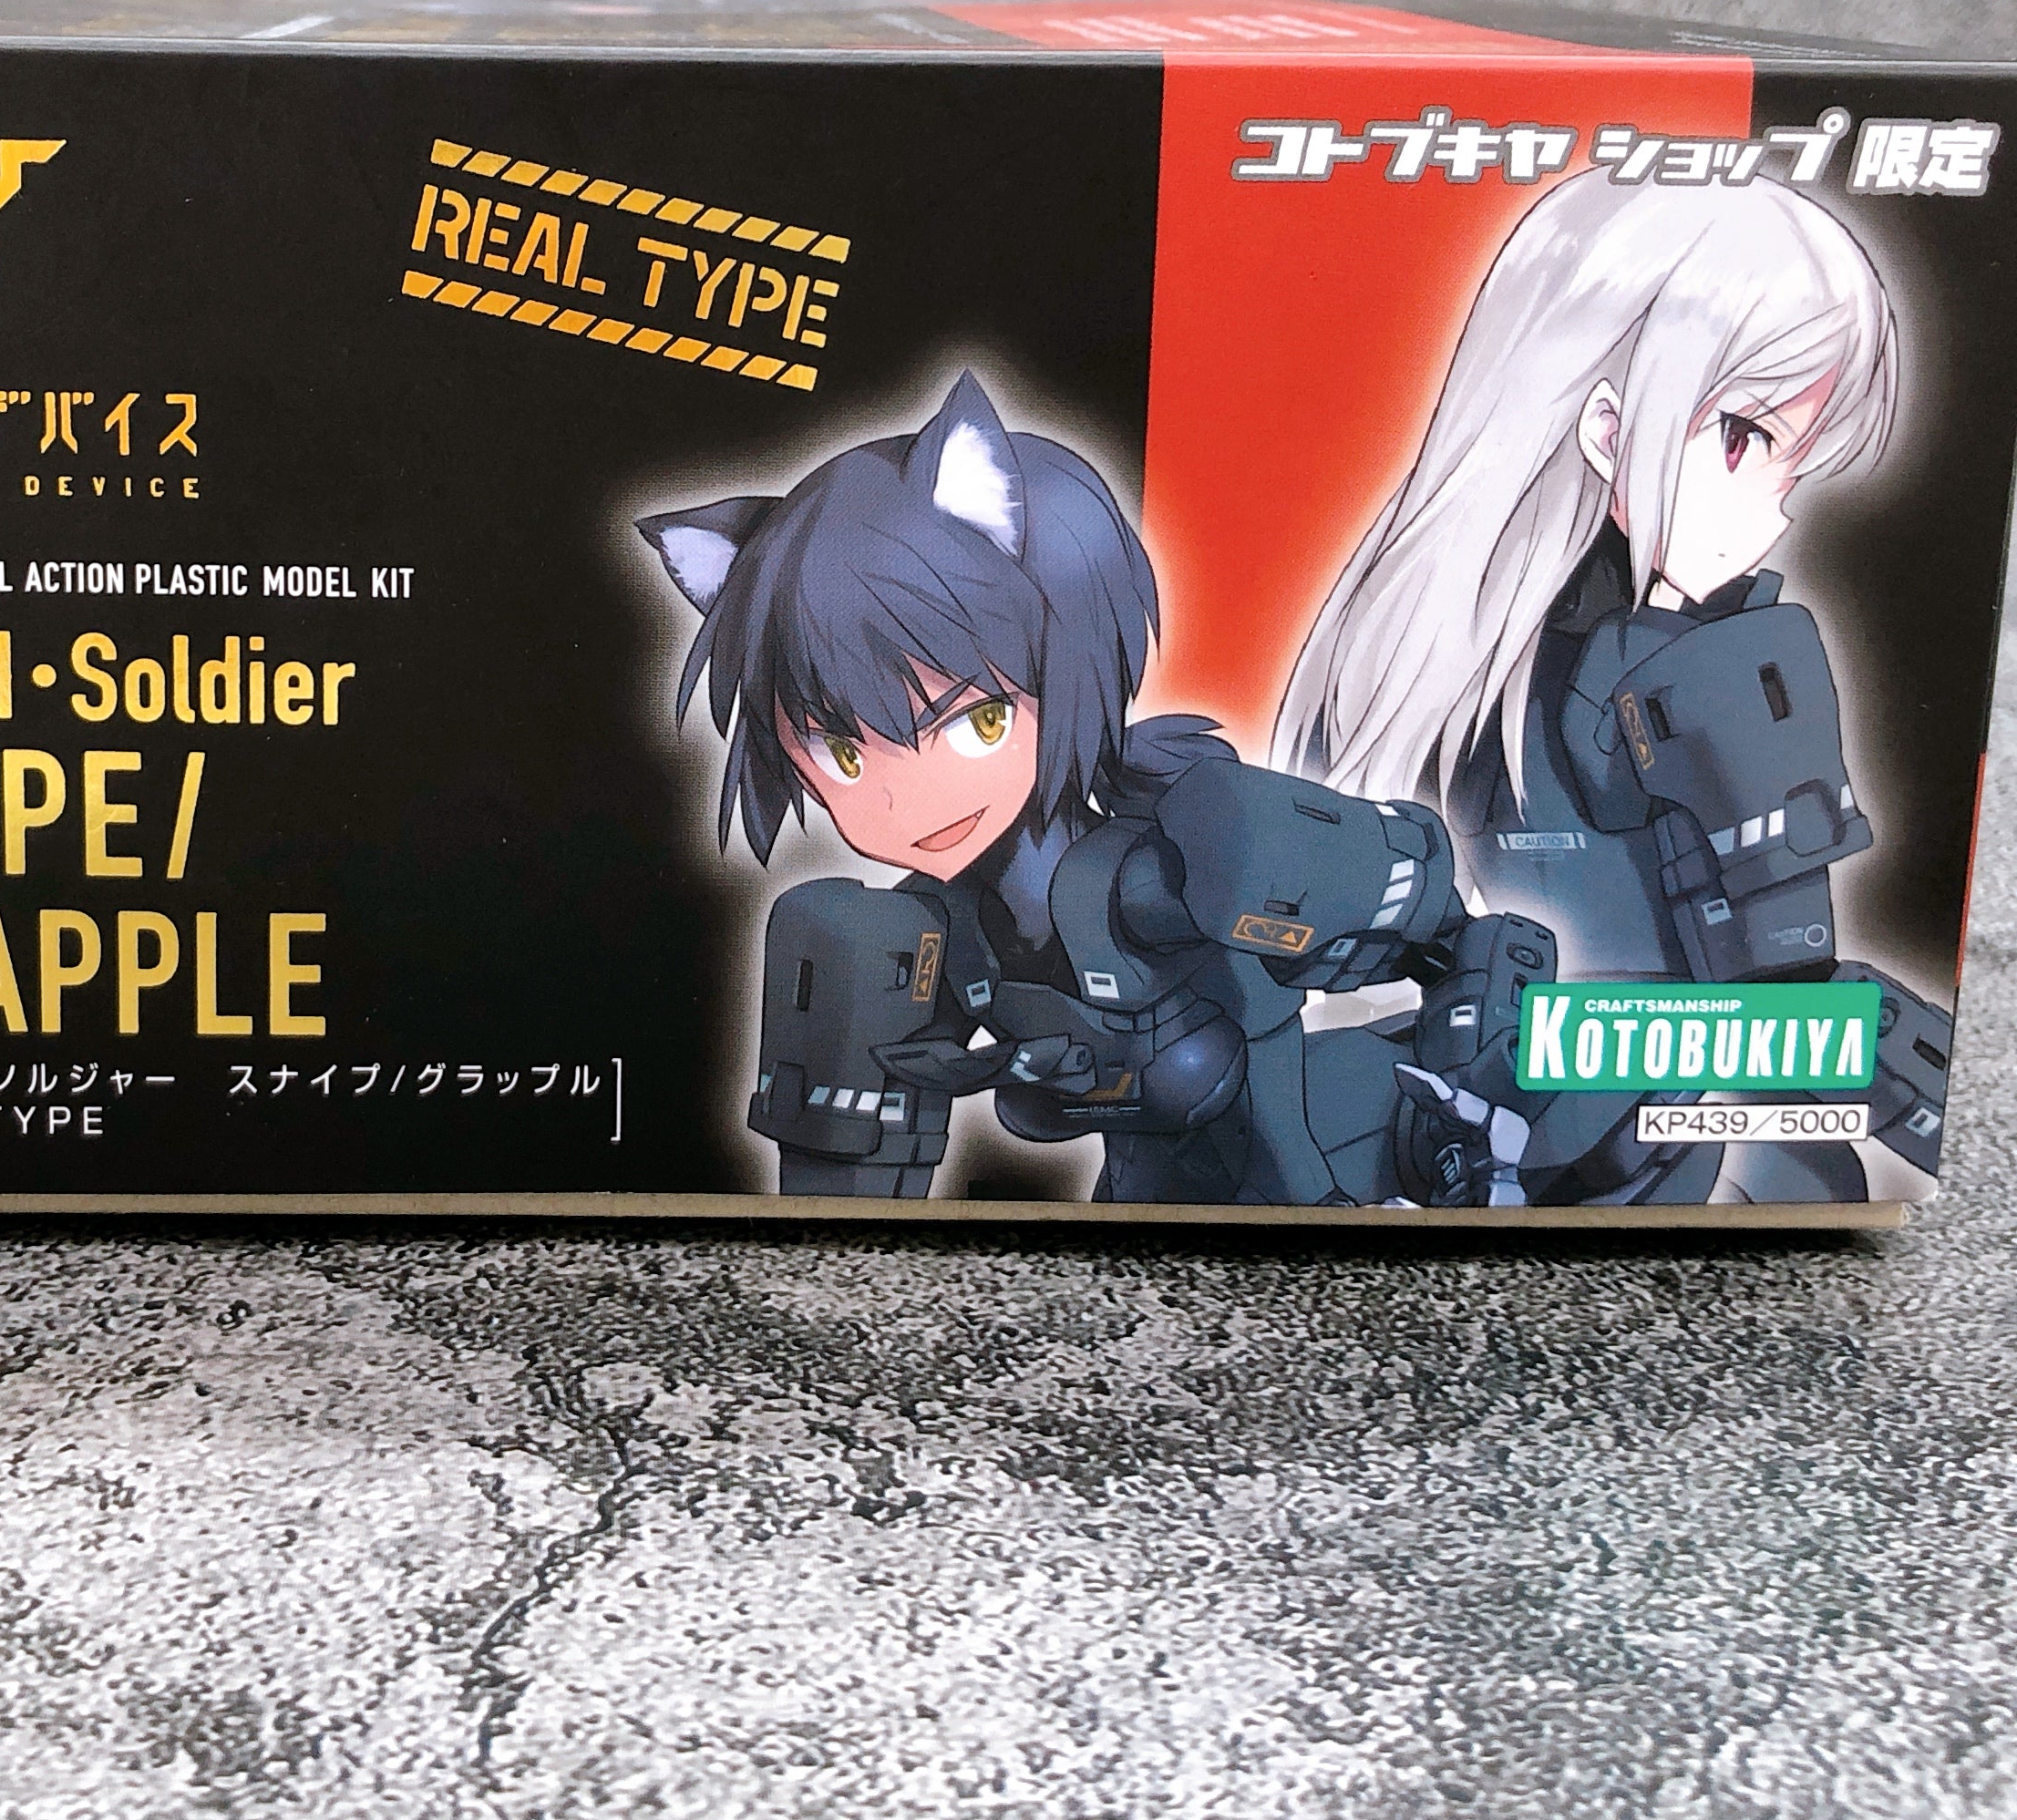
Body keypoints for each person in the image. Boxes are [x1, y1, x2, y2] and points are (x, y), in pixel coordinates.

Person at [639, 373, 1552, 1206]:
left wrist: (1473, 1079)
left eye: (974, 721)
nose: (897, 800)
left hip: (1315, 1178)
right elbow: (855, 1184)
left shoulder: (1173, 869)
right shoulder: (921, 936)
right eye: (842, 752)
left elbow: (1446, 926)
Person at [1272, 174, 1950, 1203]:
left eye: (1795, 468)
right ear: (1605, 427)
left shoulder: (1411, 651)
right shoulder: (1468, 661)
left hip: (1605, 1123)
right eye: (1746, 439)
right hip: (1552, 1128)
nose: (1773, 515)